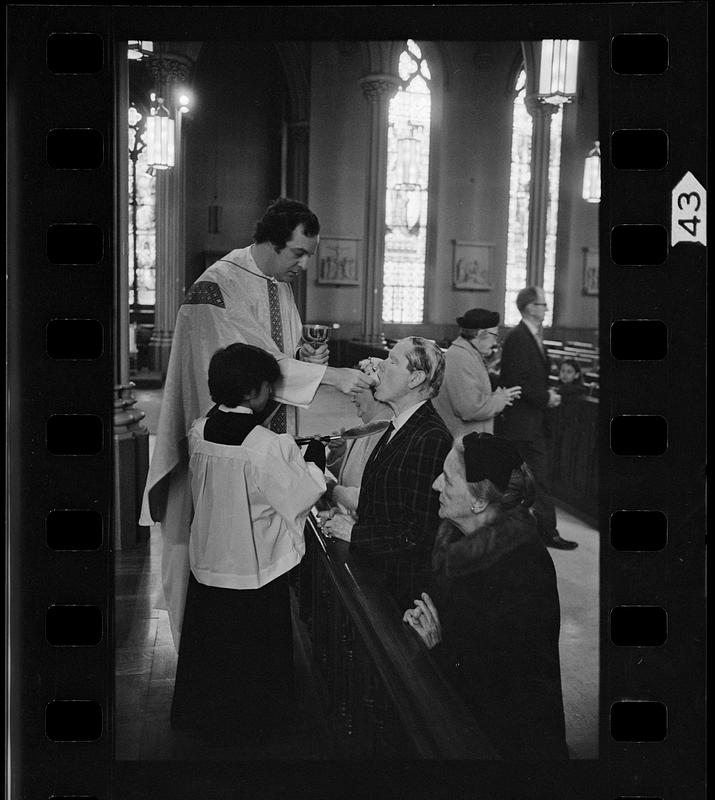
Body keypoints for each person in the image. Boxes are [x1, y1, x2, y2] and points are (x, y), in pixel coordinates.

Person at [139, 198, 373, 648]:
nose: (304, 265)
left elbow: (274, 357)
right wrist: (332, 375)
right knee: (222, 563)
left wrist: (305, 359)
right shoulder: (218, 286)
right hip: (225, 447)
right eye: (298, 253)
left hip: (264, 449)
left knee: (259, 568)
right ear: (269, 241)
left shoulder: (279, 285)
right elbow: (247, 368)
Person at [170, 343, 327, 741]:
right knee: (254, 653)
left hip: (208, 560)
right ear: (251, 392)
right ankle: (258, 726)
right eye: (267, 388)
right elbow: (298, 493)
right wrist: (318, 461)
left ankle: (202, 720)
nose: (271, 395)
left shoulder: (199, 429)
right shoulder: (266, 446)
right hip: (252, 570)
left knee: (212, 651)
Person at [403, 432, 569, 761]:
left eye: (448, 480)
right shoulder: (461, 539)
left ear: (479, 502)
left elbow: (498, 681)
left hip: (510, 746)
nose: (436, 484)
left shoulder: (520, 570)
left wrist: (438, 647)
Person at [321, 337, 452, 610]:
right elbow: (384, 502)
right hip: (378, 571)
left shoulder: (430, 437)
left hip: (398, 588)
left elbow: (418, 535)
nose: (380, 366)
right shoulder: (400, 424)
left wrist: (356, 533)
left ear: (415, 378)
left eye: (392, 361)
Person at [496, 286, 578, 550]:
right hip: (523, 422)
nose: (546, 308)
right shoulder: (519, 337)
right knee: (532, 479)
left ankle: (536, 532)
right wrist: (546, 398)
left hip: (530, 421)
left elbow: (529, 378)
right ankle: (544, 533)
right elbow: (516, 380)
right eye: (542, 304)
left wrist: (545, 395)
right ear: (530, 307)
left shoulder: (530, 335)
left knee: (530, 480)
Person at [433, 307, 522, 438]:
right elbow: (470, 409)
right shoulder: (460, 358)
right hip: (461, 442)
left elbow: (473, 396)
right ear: (481, 334)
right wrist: (500, 399)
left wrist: (496, 395)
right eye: (494, 335)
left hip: (469, 439)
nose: (495, 342)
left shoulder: (468, 354)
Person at [324, 357, 393, 514]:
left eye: (357, 390)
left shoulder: (384, 430)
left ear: (376, 392)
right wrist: (340, 454)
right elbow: (357, 476)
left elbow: (371, 494)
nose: (351, 398)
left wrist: (332, 489)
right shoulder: (367, 427)